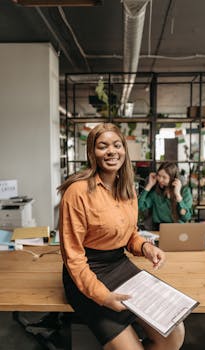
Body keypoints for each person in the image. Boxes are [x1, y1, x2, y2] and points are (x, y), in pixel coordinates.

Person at [58, 123, 185, 350]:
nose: (111, 151)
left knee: (174, 333)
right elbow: (73, 257)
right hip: (86, 273)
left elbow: (130, 235)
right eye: (102, 146)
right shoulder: (76, 192)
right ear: (92, 153)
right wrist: (102, 296)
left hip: (119, 265)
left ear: (124, 151)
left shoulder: (127, 188)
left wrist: (145, 247)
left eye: (117, 145)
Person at [138, 162, 193, 231]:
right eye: (159, 175)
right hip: (159, 230)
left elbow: (186, 217)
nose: (160, 180)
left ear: (173, 179)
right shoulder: (156, 192)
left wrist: (178, 195)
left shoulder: (184, 191)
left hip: (178, 230)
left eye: (164, 177)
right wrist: (149, 185)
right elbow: (140, 207)